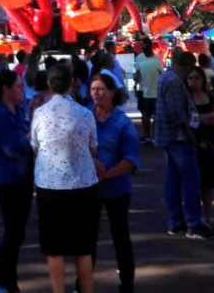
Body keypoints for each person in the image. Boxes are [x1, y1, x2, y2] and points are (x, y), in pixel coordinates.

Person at [30, 64, 98, 293]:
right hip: (83, 183)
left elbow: (35, 147)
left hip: (50, 184)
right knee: (83, 247)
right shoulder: (86, 113)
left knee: (54, 248)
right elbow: (93, 148)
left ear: (49, 84)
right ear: (73, 83)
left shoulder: (40, 113)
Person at [157, 52, 214, 240]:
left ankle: (176, 222)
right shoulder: (175, 82)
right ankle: (194, 223)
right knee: (191, 180)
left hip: (169, 136)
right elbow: (177, 114)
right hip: (179, 137)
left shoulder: (166, 77)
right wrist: (189, 132)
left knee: (173, 180)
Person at [89, 74, 140, 293]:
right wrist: (91, 161)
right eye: (93, 89)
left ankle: (127, 283)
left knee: (120, 237)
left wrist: (107, 174)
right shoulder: (85, 118)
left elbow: (131, 159)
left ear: (112, 92)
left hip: (117, 188)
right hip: (89, 188)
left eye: (101, 89)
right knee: (87, 239)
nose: (96, 93)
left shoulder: (122, 123)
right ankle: (83, 283)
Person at [0, 69, 32, 293]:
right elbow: (11, 148)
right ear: (6, 89)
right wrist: (33, 138)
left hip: (22, 178)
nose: (22, 90)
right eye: (18, 86)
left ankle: (6, 280)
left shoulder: (18, 109)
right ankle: (1, 280)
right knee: (12, 233)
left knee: (17, 233)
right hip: (8, 179)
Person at [186, 69, 214, 231]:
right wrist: (209, 117)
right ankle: (196, 217)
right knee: (194, 182)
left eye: (196, 78)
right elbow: (190, 121)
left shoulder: (209, 96)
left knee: (209, 183)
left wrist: (203, 119)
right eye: (190, 78)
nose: (193, 81)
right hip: (194, 144)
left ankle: (209, 216)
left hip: (211, 144)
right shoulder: (187, 98)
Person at [133, 38, 163, 145]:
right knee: (154, 114)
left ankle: (148, 136)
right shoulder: (156, 59)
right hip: (153, 90)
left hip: (143, 89)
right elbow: (162, 75)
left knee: (145, 114)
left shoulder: (140, 59)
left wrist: (135, 86)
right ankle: (152, 136)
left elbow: (136, 76)